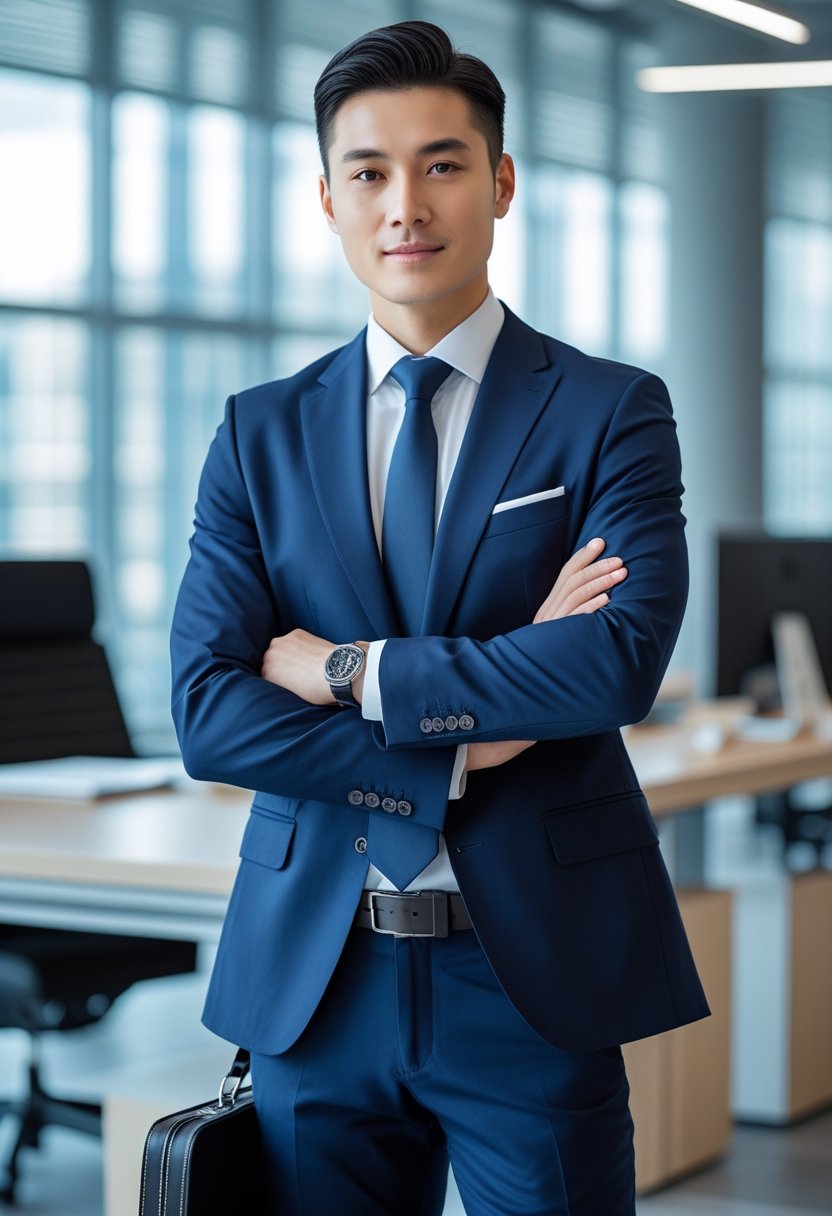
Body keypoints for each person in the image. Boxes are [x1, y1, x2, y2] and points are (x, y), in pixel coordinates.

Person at [170, 19, 708, 1215]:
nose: (404, 203)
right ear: (326, 196)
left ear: (500, 180)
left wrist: (342, 666)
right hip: (318, 968)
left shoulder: (610, 411)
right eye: (367, 171)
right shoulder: (259, 432)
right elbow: (210, 714)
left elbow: (612, 665)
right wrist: (453, 751)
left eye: (442, 163)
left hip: (528, 974)